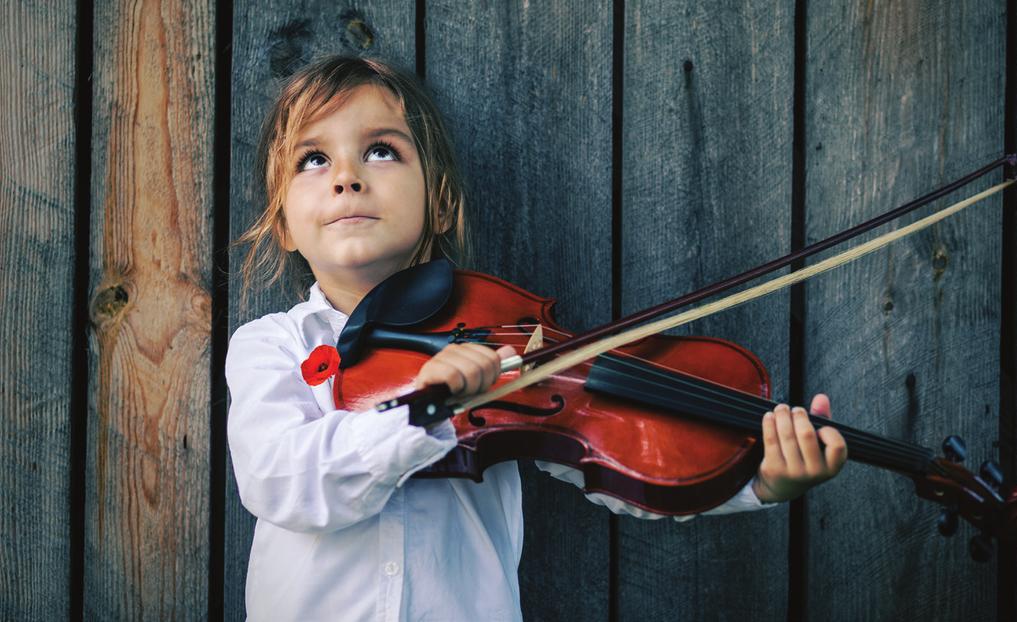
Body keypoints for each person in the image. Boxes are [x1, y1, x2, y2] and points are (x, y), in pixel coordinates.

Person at [226, 55, 848, 621]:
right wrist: (428, 411)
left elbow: (622, 454)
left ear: (440, 202)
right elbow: (280, 480)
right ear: (281, 222)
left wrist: (755, 480)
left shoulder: (512, 344)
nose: (346, 177)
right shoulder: (271, 346)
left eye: (381, 151)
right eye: (313, 159)